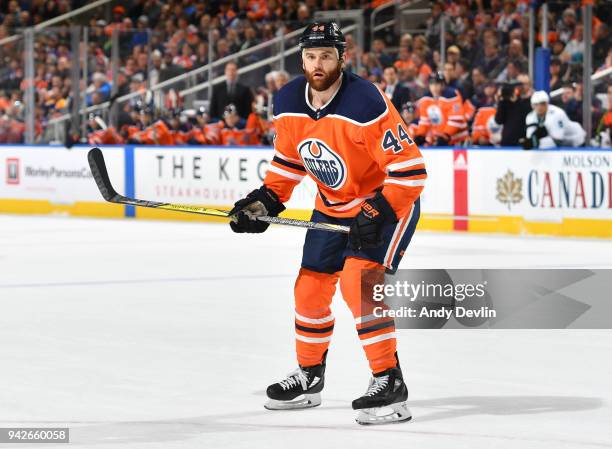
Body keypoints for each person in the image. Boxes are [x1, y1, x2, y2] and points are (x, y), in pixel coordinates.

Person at [227, 21, 426, 425]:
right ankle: (309, 377)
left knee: (359, 283)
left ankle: (389, 381)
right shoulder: (286, 101)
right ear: (302, 59)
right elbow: (287, 163)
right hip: (333, 206)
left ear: (341, 58)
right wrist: (265, 201)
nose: (318, 64)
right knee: (310, 290)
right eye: (311, 56)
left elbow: (411, 173)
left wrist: (378, 211)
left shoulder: (365, 102)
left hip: (387, 205)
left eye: (327, 56)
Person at [414, 72, 468, 146]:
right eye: (432, 84)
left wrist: (445, 136)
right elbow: (424, 121)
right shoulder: (426, 99)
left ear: (443, 85)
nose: (434, 87)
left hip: (457, 140)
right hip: (440, 139)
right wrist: (420, 135)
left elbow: (456, 120)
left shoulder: (452, 95)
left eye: (437, 84)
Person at [495, 73, 532, 146]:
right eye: (518, 84)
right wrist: (501, 101)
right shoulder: (507, 101)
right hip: (507, 141)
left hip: (523, 141)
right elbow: (498, 120)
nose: (521, 87)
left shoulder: (533, 100)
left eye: (524, 84)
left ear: (529, 85)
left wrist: (517, 102)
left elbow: (526, 118)